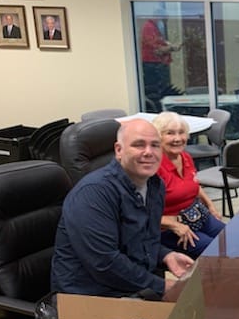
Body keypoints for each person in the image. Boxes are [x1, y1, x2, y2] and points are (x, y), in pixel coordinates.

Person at [51, 118, 194, 298]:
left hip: (130, 286)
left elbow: (142, 240)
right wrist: (163, 286)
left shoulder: (155, 185)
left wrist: (166, 255)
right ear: (119, 150)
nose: (149, 152)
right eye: (139, 145)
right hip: (90, 297)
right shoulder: (94, 193)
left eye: (155, 145)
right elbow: (105, 264)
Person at [152, 111, 225, 258]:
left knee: (233, 238)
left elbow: (194, 185)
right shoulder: (153, 168)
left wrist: (210, 206)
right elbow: (142, 213)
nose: (177, 138)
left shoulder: (185, 157)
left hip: (197, 215)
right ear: (158, 137)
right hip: (169, 229)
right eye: (170, 133)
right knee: (216, 252)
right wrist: (174, 225)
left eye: (181, 133)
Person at [141, 13, 180, 103]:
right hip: (152, 64)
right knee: (156, 91)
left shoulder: (155, 27)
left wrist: (168, 44)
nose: (165, 21)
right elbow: (156, 49)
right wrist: (171, 48)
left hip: (158, 63)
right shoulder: (149, 27)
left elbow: (160, 41)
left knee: (164, 88)